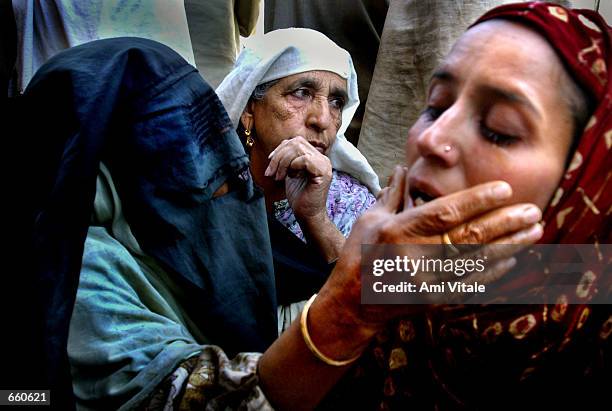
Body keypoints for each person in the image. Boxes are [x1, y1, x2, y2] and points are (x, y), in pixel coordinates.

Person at [17, 30, 542, 410]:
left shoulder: (221, 223)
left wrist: (553, 271)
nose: (323, 120)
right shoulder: (77, 279)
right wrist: (350, 306)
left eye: (339, 102)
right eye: (181, 154)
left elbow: (288, 312)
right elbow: (193, 392)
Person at [321, 2, 612, 410]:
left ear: (584, 186)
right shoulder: (387, 289)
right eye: (435, 107)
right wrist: (346, 308)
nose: (429, 138)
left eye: (499, 131)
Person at [216, 28, 379, 331]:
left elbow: (375, 309)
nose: (323, 119)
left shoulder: (352, 203)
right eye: (301, 93)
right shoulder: (212, 188)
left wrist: (316, 218)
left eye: (336, 102)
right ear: (250, 108)